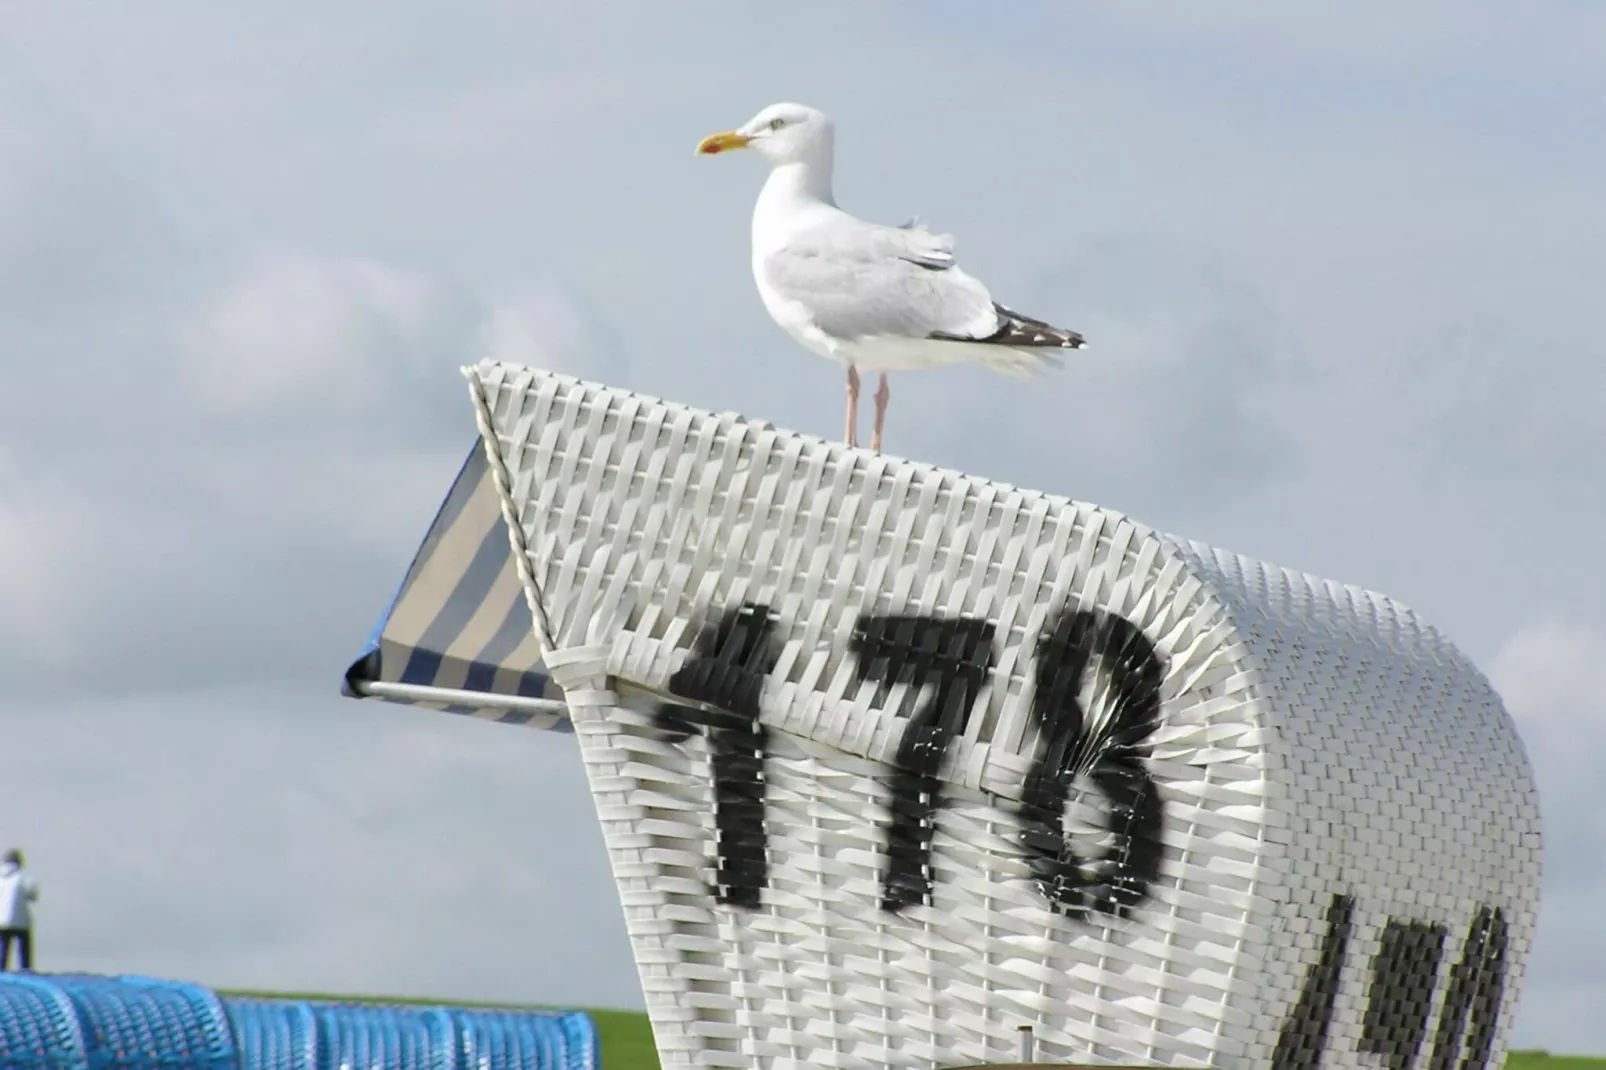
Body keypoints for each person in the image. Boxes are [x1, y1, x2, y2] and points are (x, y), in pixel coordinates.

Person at [0, 848, 39, 971]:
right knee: (24, 945)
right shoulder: (22, 877)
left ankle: (2, 970)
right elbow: (33, 894)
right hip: (20, 920)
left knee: (3, 946)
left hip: (1, 920)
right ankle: (25, 968)